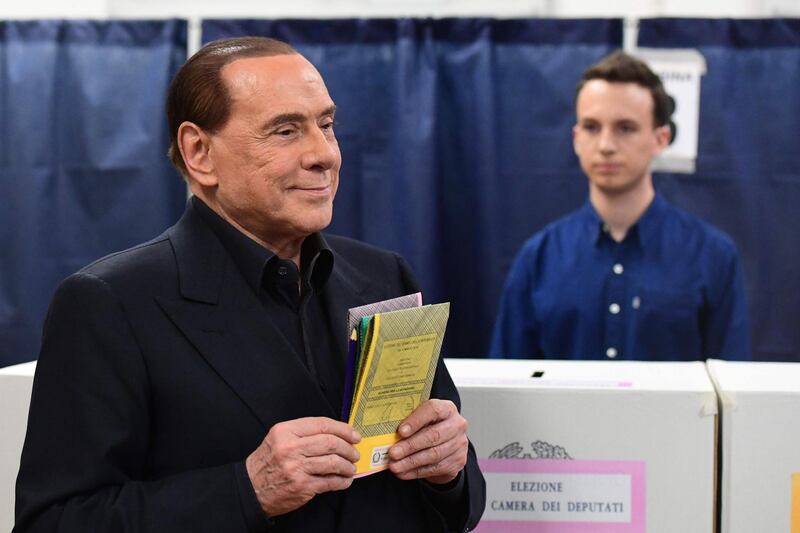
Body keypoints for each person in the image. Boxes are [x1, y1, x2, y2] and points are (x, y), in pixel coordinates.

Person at [14, 37, 485, 532]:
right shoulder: (109, 303)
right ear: (199, 152)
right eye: (285, 131)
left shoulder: (383, 277)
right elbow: (54, 520)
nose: (324, 155)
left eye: (327, 125)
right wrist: (248, 489)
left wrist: (449, 471)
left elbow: (461, 503)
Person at [490, 51, 751, 361]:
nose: (606, 145)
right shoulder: (538, 258)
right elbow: (507, 384)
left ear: (661, 138)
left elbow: (729, 391)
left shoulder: (713, 256)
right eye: (591, 127)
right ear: (576, 138)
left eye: (625, 128)